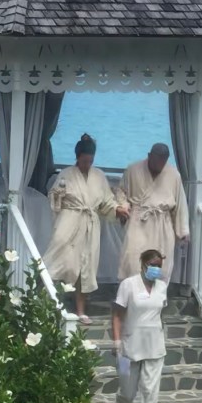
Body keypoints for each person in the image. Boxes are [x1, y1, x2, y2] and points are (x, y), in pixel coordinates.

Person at [43, 134, 129, 324]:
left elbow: (106, 202)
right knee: (60, 262)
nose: (87, 164)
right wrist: (57, 194)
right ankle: (49, 305)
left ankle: (81, 311)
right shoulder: (66, 174)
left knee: (85, 268)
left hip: (90, 226)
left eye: (90, 161)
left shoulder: (99, 176)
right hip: (69, 221)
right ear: (77, 157)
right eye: (84, 161)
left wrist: (118, 209)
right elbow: (54, 199)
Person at [110, 249, 168, 403]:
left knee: (150, 393)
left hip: (155, 348)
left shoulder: (162, 287)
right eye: (152, 264)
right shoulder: (128, 285)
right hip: (127, 348)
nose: (156, 269)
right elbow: (117, 315)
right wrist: (117, 342)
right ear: (142, 264)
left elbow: (160, 314)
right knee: (127, 392)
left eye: (159, 265)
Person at [116, 143, 189, 285]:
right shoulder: (133, 170)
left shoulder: (174, 175)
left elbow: (180, 204)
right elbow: (120, 192)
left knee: (160, 266)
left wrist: (183, 230)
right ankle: (131, 294)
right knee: (132, 261)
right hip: (138, 220)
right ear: (149, 156)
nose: (159, 166)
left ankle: (156, 296)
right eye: (156, 161)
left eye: (163, 162)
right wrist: (123, 205)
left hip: (162, 224)